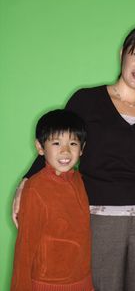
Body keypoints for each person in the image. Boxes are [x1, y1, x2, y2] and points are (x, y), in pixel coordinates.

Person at [12, 25, 135, 291]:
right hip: (100, 219)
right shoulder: (86, 100)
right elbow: (57, 141)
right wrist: (26, 180)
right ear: (123, 52)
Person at [11, 109, 94, 291]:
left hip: (82, 281)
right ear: (40, 147)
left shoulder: (80, 181)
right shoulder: (35, 189)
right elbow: (24, 249)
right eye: (56, 143)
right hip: (47, 284)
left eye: (73, 143)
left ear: (82, 149)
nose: (65, 151)